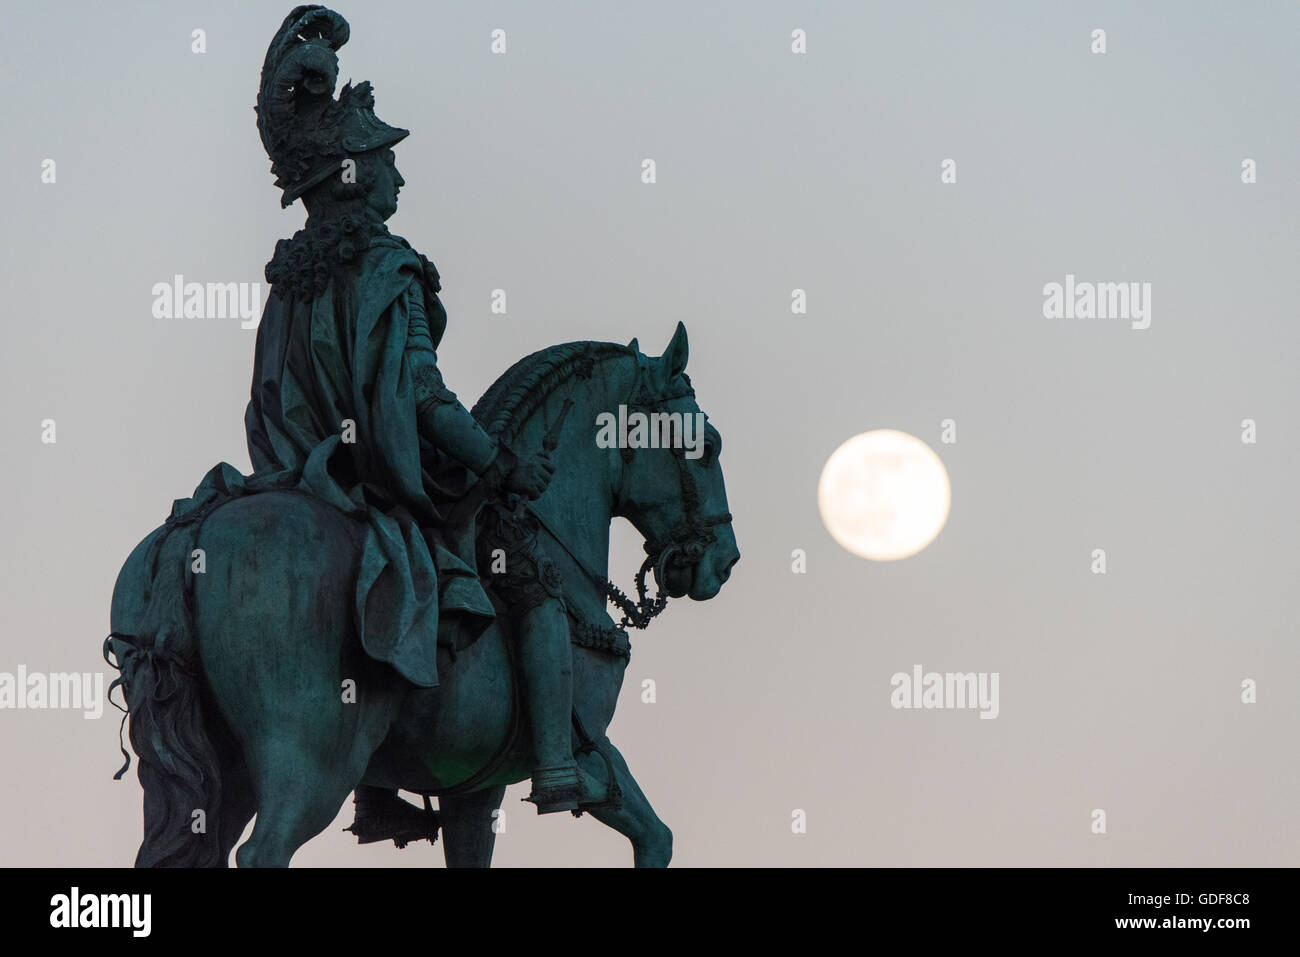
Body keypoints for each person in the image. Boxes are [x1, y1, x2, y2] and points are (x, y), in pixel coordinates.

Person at [246, 7, 584, 844]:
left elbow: (273, 392)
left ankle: (371, 783)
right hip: (389, 475)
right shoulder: (390, 269)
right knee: (530, 581)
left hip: (303, 468)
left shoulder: (290, 275)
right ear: (354, 174)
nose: (400, 178)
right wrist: (499, 462)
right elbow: (423, 398)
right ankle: (555, 762)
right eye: (387, 161)